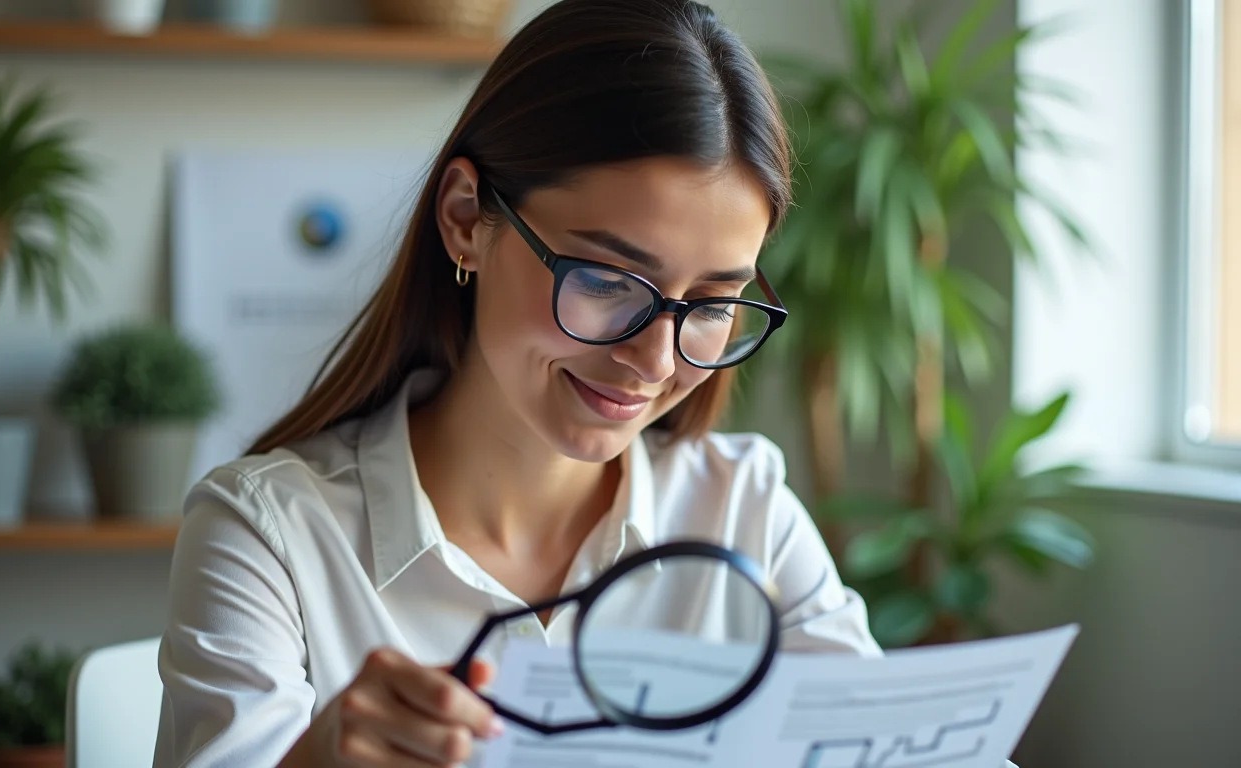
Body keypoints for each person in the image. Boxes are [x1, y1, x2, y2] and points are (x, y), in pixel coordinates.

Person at [152, 1, 882, 766]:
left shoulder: (744, 513)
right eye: (608, 280)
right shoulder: (268, 536)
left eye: (713, 304)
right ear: (467, 218)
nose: (659, 362)